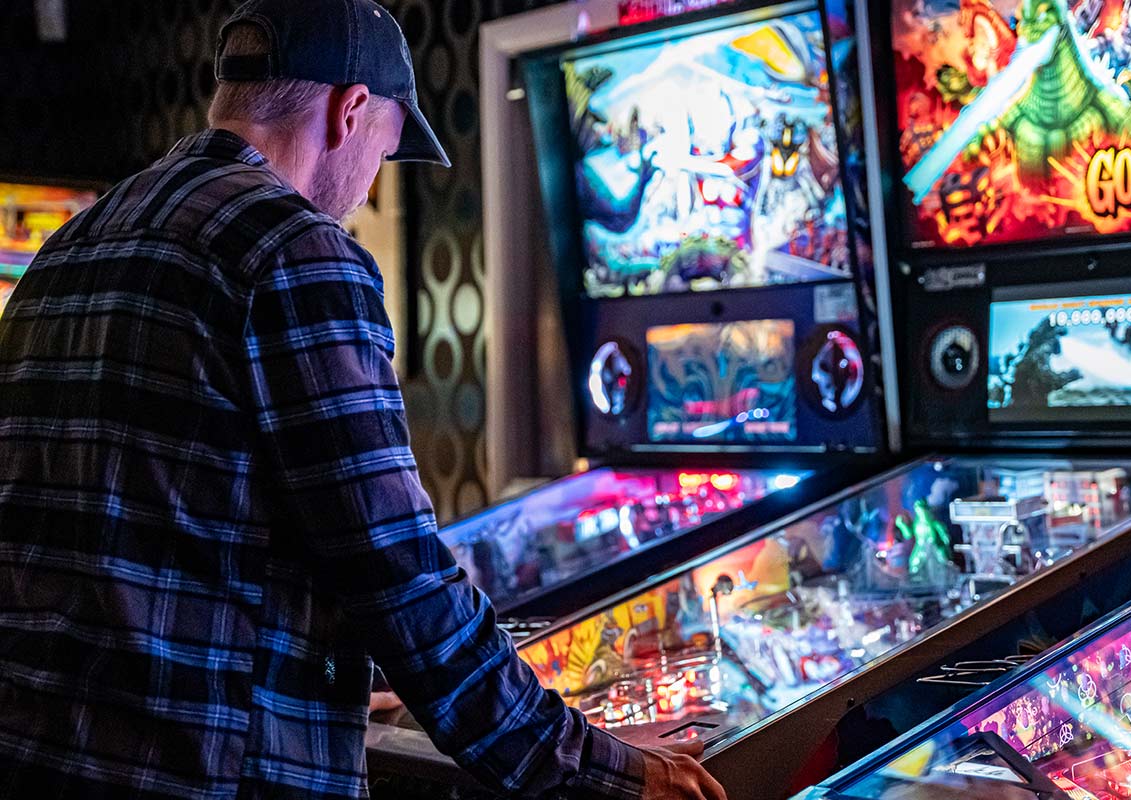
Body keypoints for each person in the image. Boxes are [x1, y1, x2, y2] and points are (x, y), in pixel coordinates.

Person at [0, 1, 727, 799]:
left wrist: (352, 668)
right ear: (349, 112)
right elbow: (398, 573)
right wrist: (603, 770)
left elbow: (161, 527)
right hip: (206, 773)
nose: (371, 182)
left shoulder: (70, 246)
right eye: (385, 149)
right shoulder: (295, 247)